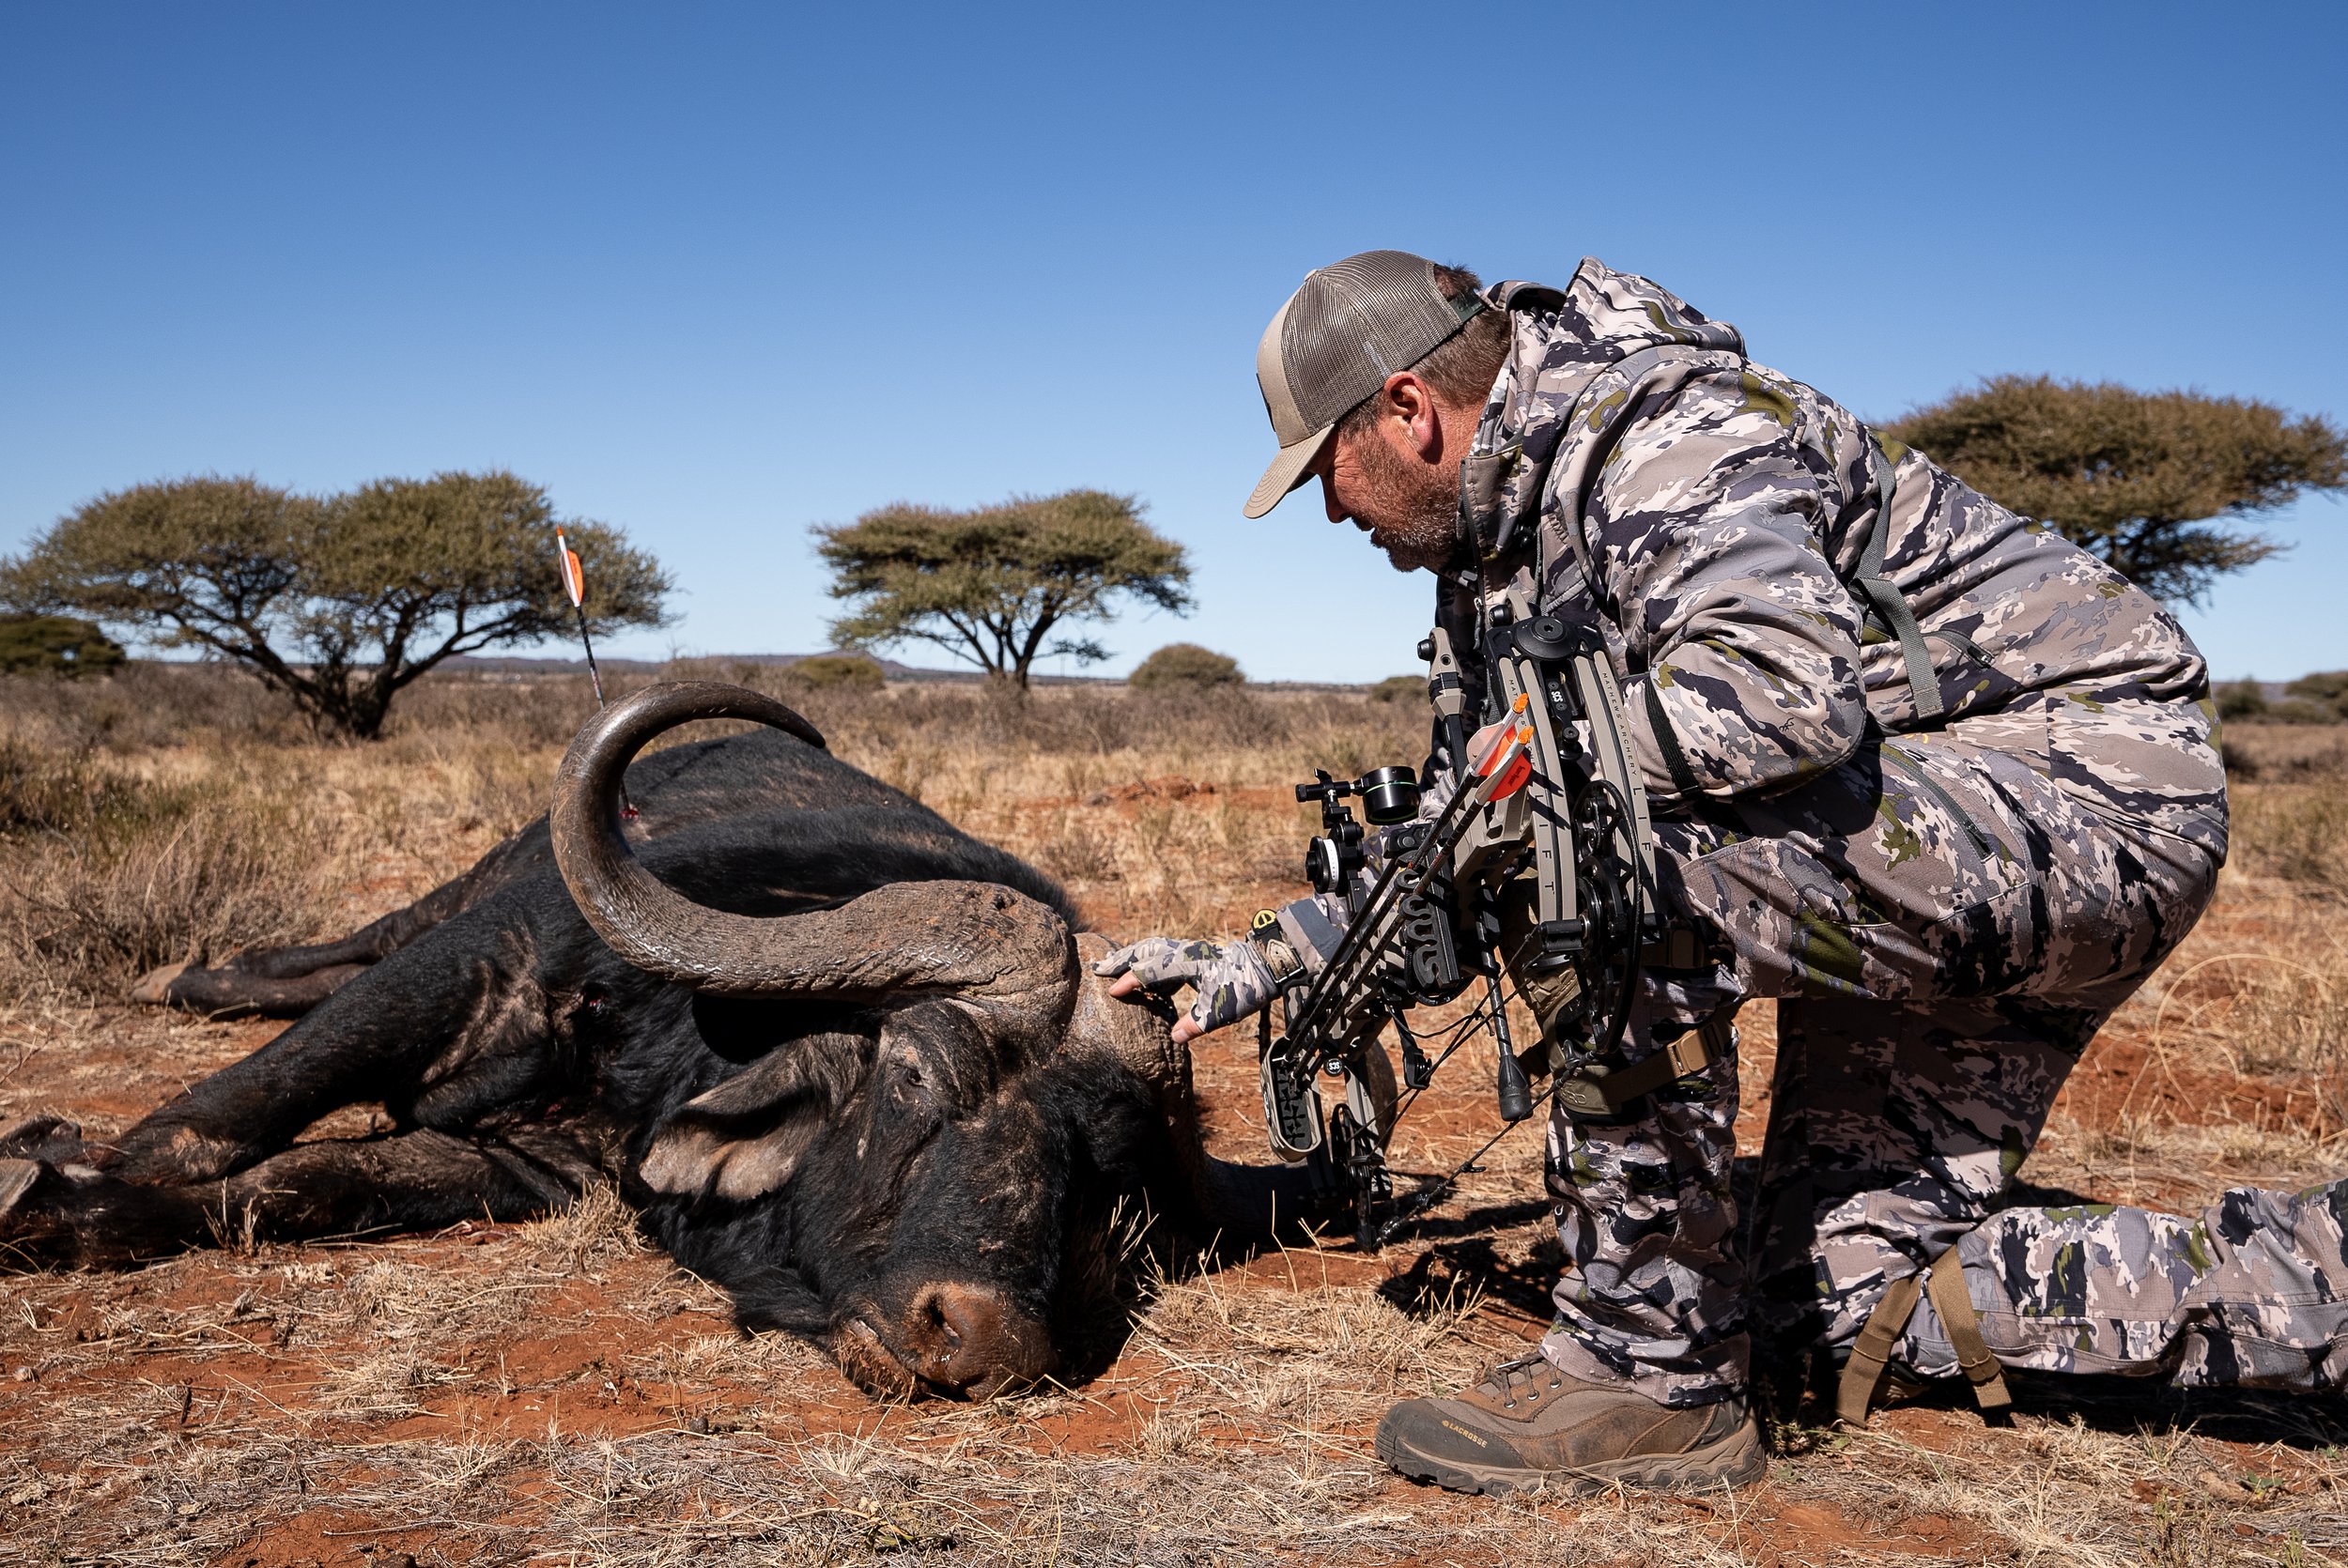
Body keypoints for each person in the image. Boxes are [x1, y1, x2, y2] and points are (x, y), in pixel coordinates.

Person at [1096, 251, 2348, 1498]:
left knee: (1583, 840)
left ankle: (1647, 1374)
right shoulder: (1492, 554)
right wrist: (1260, 957)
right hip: (1900, 835)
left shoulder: (1656, 426)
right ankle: (2319, 1279)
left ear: (1409, 410)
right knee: (1840, 1299)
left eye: (1328, 470)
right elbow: (1457, 810)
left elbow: (1778, 693)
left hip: (2096, 789)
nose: (1331, 510)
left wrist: (1543, 772)